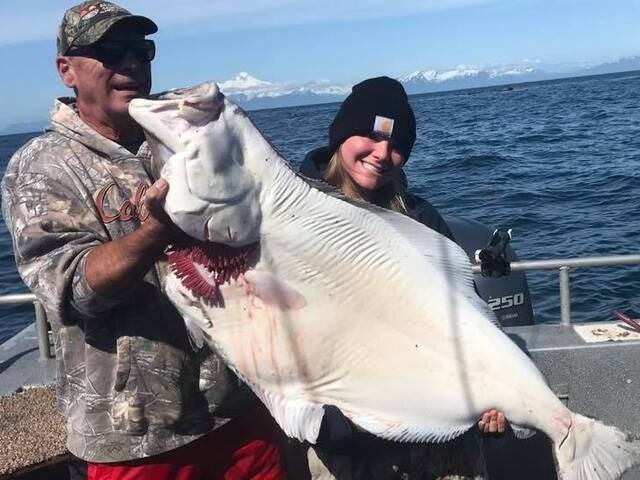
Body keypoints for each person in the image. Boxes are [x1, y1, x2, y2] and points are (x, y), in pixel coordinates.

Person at [1, 2, 287, 479]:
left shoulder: (188, 135)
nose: (131, 63)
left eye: (142, 50)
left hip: (241, 408)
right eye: (110, 51)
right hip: (137, 440)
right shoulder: (41, 166)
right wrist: (157, 231)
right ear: (66, 71)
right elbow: (71, 291)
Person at [298, 76, 507, 479]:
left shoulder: (422, 219)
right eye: (371, 136)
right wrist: (328, 424)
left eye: (397, 146)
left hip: (441, 439)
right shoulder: (297, 215)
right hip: (350, 445)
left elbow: (468, 318)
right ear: (341, 135)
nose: (382, 153)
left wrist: (490, 395)